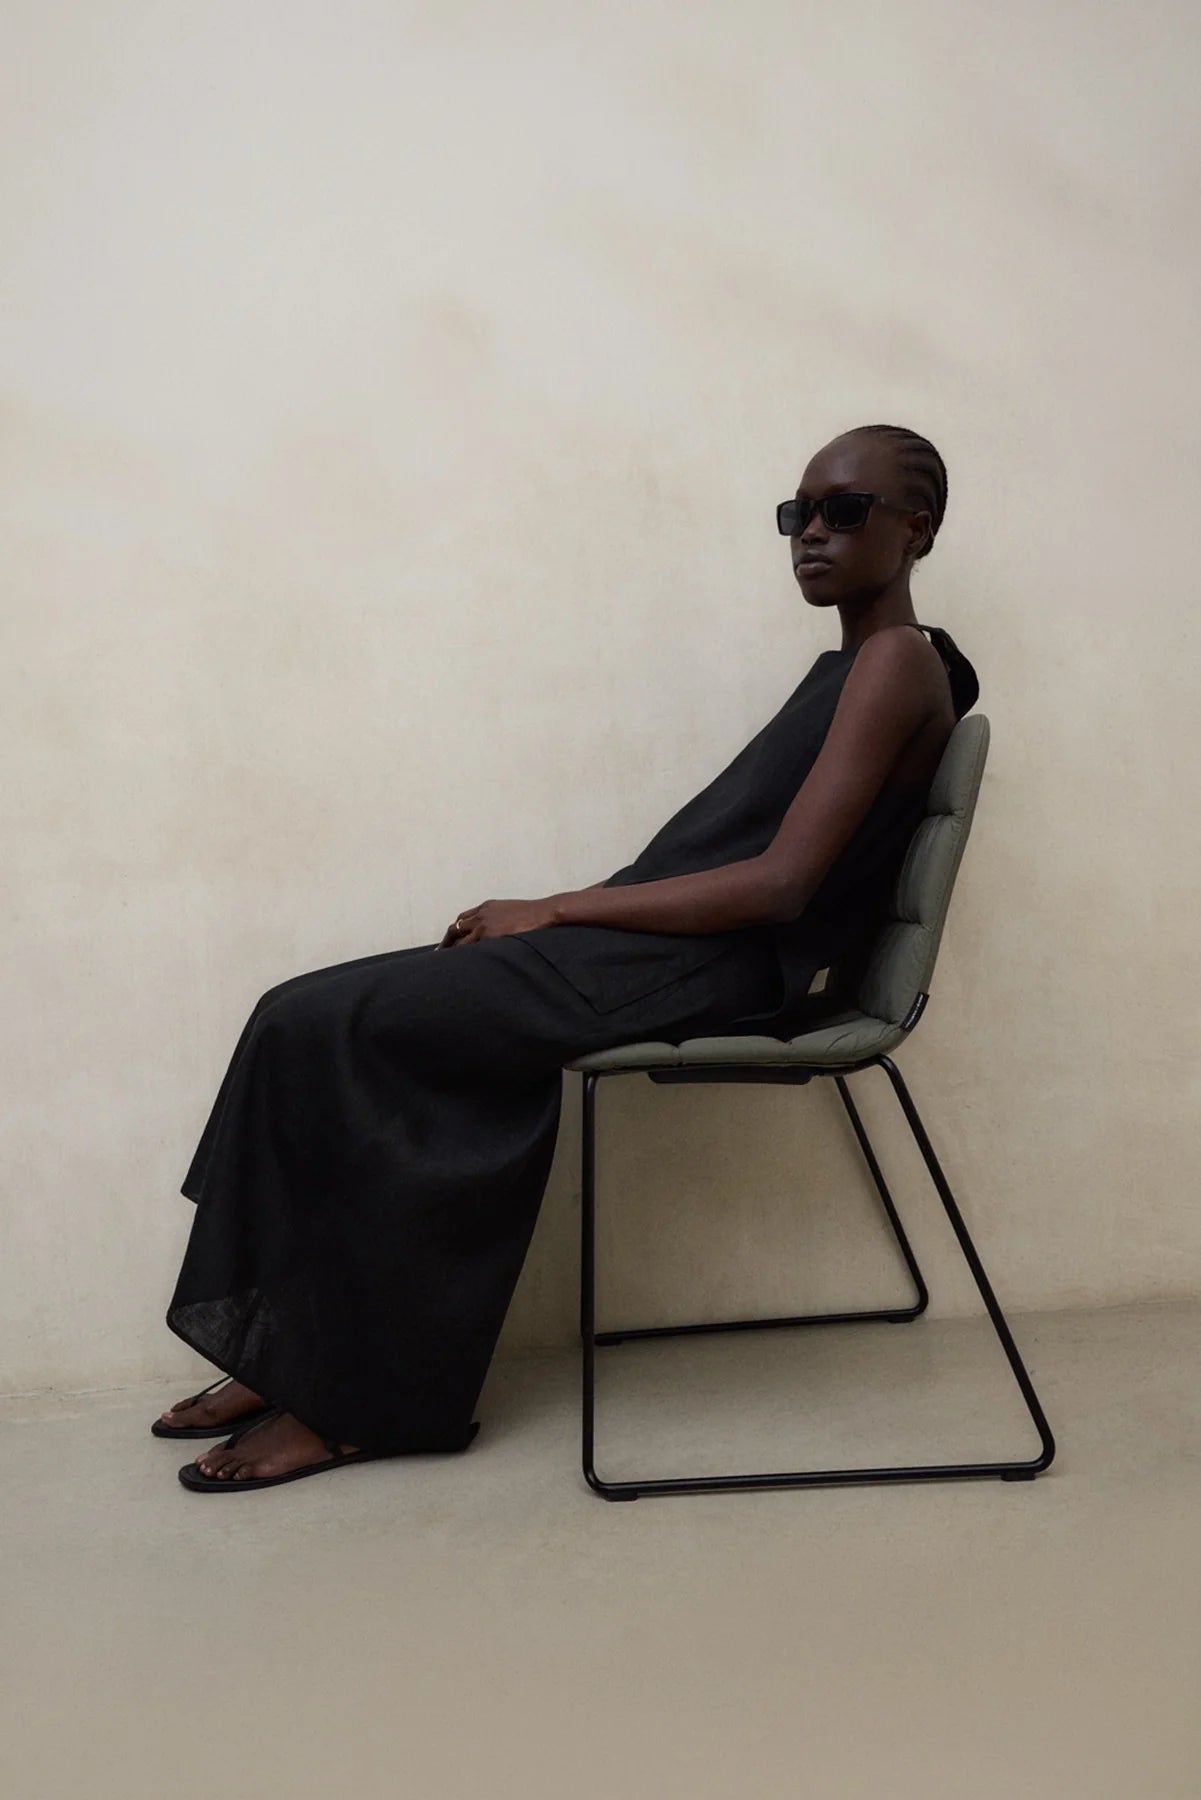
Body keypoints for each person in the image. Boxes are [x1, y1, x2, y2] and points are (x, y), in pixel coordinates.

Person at [157, 421, 979, 1492]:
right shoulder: (851, 666)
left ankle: (355, 1402)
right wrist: (572, 919)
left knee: (339, 1025)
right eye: (796, 514)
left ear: (918, 527)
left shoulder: (896, 664)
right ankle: (293, 1355)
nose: (810, 534)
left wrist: (554, 908)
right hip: (653, 953)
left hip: (711, 970)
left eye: (843, 510)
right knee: (297, 1013)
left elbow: (781, 886)